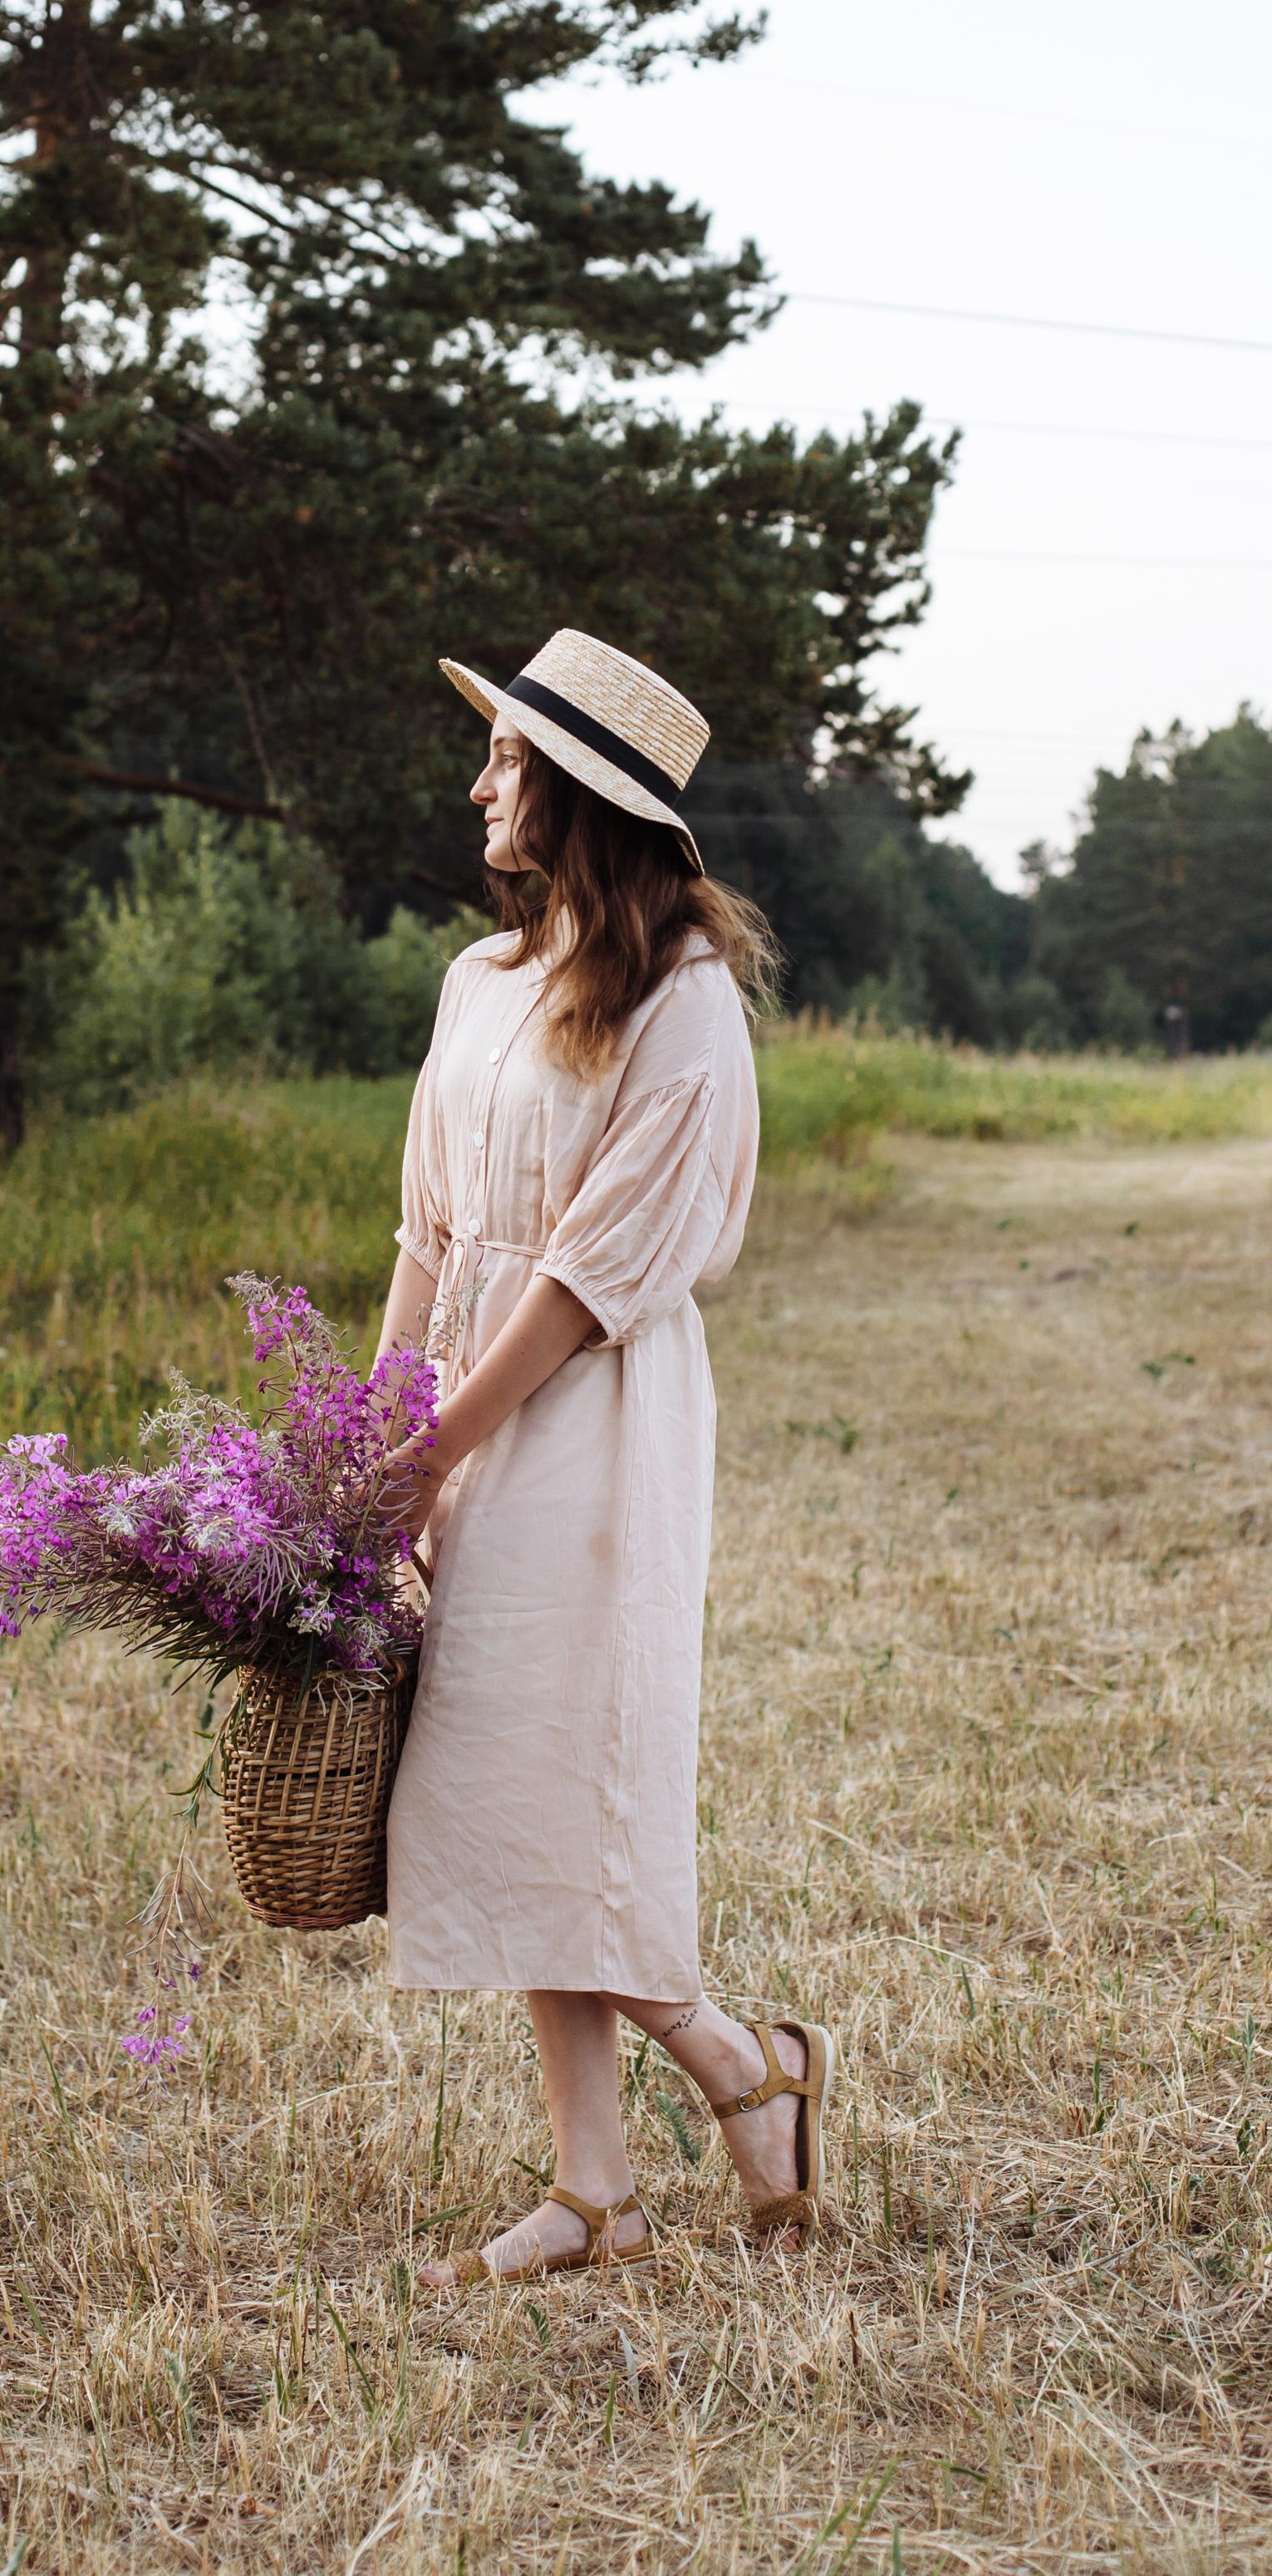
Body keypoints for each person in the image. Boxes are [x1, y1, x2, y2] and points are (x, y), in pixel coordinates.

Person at [376, 627, 833, 2289]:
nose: (478, 780)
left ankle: (733, 2065)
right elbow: (431, 1228)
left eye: (505, 759)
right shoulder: (477, 986)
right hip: (460, 1408)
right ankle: (603, 2181)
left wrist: (434, 1448)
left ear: (574, 794)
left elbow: (585, 1279)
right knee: (490, 1784)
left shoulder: (685, 1006)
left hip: (593, 1423)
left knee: (572, 1780)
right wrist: (367, 1440)